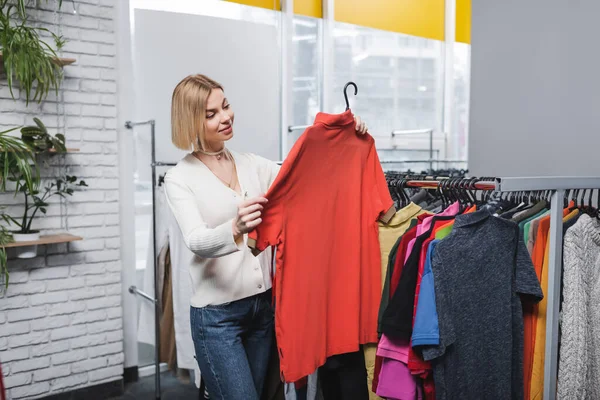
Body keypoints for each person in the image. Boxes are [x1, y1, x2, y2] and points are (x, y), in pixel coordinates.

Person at [164, 74, 370, 400]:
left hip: (262, 309)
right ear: (190, 120)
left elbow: (307, 175)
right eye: (211, 113)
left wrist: (344, 130)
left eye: (226, 106)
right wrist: (234, 228)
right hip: (217, 318)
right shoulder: (178, 178)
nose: (226, 117)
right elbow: (195, 239)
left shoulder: (252, 165)